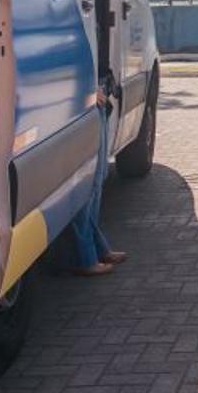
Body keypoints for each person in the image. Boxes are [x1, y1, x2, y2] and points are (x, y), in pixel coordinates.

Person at [61, 82, 128, 276]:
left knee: (98, 180)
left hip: (98, 100)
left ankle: (99, 249)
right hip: (85, 101)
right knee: (87, 186)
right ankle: (85, 258)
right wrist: (88, 87)